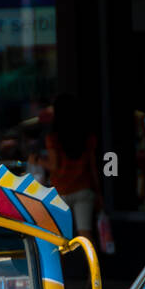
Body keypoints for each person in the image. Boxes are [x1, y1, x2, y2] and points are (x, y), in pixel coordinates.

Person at [42, 93, 101, 243]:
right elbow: (93, 167)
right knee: (85, 235)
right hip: (83, 189)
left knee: (58, 238)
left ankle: (60, 267)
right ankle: (92, 266)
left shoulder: (53, 137)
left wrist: (38, 161)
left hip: (61, 192)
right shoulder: (87, 136)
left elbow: (54, 166)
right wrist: (99, 194)